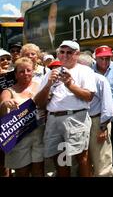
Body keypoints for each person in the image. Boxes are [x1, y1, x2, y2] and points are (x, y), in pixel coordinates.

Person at [34, 40, 96, 177]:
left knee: (81, 157)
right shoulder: (50, 73)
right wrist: (48, 84)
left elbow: (89, 96)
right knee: (61, 159)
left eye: (69, 52)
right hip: (54, 119)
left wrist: (69, 85)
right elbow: (38, 103)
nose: (65, 55)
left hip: (76, 118)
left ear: (77, 54)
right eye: (62, 52)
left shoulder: (85, 71)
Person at [0, 57, 44, 177]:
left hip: (39, 133)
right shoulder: (8, 91)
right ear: (15, 74)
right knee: (21, 171)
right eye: (21, 71)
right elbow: (3, 107)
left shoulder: (41, 86)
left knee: (38, 170)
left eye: (28, 70)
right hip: (19, 136)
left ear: (33, 71)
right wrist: (6, 104)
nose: (26, 74)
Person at [78, 53, 113, 177]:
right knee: (84, 160)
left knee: (102, 162)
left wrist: (103, 127)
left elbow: (108, 105)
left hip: (97, 122)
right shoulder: (75, 80)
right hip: (80, 122)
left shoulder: (99, 79)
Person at [92, 45, 113, 176]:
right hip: (97, 113)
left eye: (107, 58)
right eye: (102, 59)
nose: (105, 62)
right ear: (96, 58)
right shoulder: (90, 70)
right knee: (101, 145)